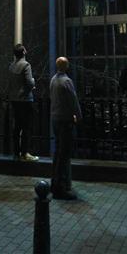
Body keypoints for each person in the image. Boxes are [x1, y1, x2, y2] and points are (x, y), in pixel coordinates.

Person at [49, 57, 81, 200]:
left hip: (55, 118)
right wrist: (78, 116)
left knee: (58, 152)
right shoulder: (66, 81)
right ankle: (62, 186)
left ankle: (55, 182)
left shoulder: (53, 80)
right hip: (65, 119)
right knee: (65, 153)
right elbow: (73, 101)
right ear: (66, 66)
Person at [8, 43, 38, 162]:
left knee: (17, 127)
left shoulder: (11, 66)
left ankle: (16, 153)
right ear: (24, 52)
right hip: (25, 100)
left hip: (14, 99)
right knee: (26, 127)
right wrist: (33, 82)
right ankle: (25, 153)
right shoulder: (26, 65)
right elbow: (30, 83)